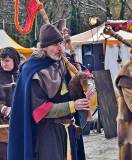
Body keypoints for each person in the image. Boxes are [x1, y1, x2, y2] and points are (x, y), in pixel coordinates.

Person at [8, 24, 89, 160]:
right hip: (48, 134)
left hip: (69, 129)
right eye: (55, 45)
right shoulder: (32, 70)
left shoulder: (64, 62)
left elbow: (71, 91)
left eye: (61, 43)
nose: (60, 48)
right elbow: (39, 111)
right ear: (43, 47)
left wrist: (84, 89)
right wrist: (72, 106)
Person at [0, 47, 20, 160]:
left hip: (18, 126)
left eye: (7, 61)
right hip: (2, 130)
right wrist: (4, 109)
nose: (4, 63)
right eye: (2, 60)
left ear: (14, 61)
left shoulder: (21, 76)